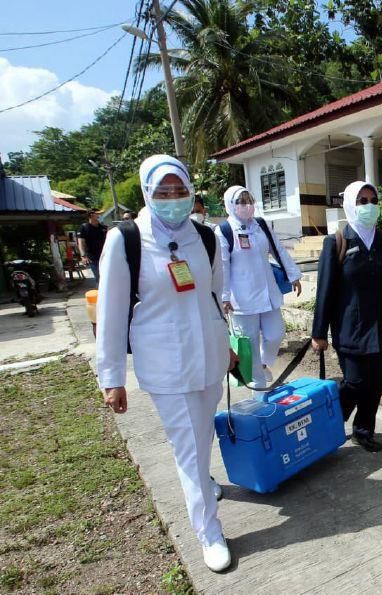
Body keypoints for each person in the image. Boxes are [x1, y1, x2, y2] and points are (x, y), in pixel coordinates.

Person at [96, 154, 236, 573]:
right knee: (189, 449)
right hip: (166, 364)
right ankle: (209, 531)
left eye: (180, 190)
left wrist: (227, 345)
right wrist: (112, 377)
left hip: (210, 356)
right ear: (147, 193)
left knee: (201, 436)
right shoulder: (126, 239)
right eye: (163, 191)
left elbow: (213, 295)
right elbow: (111, 311)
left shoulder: (205, 236)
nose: (173, 198)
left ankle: (203, 487)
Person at [312, 181, 382, 452]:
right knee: (355, 382)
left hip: (381, 325)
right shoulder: (336, 242)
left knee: (375, 383)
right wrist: (318, 333)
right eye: (363, 201)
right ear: (351, 204)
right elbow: (325, 289)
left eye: (373, 200)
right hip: (350, 327)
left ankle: (363, 431)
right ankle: (328, 423)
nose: (369, 206)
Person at [216, 186, 302, 391]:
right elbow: (222, 266)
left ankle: (264, 365)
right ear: (230, 205)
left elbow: (278, 249)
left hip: (268, 294)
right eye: (241, 202)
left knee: (275, 334)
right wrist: (224, 296)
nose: (247, 205)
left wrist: (293, 275)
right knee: (250, 345)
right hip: (242, 301)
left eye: (249, 200)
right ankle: (259, 389)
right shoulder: (225, 231)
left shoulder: (260, 225)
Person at [77, 210, 107, 281]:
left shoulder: (104, 228)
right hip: (92, 258)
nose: (100, 216)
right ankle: (99, 291)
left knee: (106, 277)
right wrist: (83, 256)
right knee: (99, 278)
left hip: (104, 256)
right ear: (91, 215)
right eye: (98, 214)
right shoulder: (84, 227)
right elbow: (81, 243)